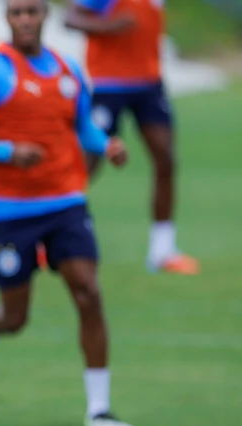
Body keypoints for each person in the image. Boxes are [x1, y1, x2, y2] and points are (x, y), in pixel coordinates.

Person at [0, 0, 138, 426]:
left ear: (45, 15)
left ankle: (100, 409)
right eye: (17, 12)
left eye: (32, 11)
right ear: (7, 18)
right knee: (16, 318)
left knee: (89, 292)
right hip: (10, 213)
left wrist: (107, 145)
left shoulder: (68, 71)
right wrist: (7, 152)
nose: (25, 19)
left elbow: (82, 129)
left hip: (66, 202)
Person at [65, 0, 199, 275]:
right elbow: (71, 17)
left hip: (149, 82)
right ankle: (51, 235)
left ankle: (162, 250)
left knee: (166, 159)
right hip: (108, 82)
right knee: (87, 164)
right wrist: (107, 25)